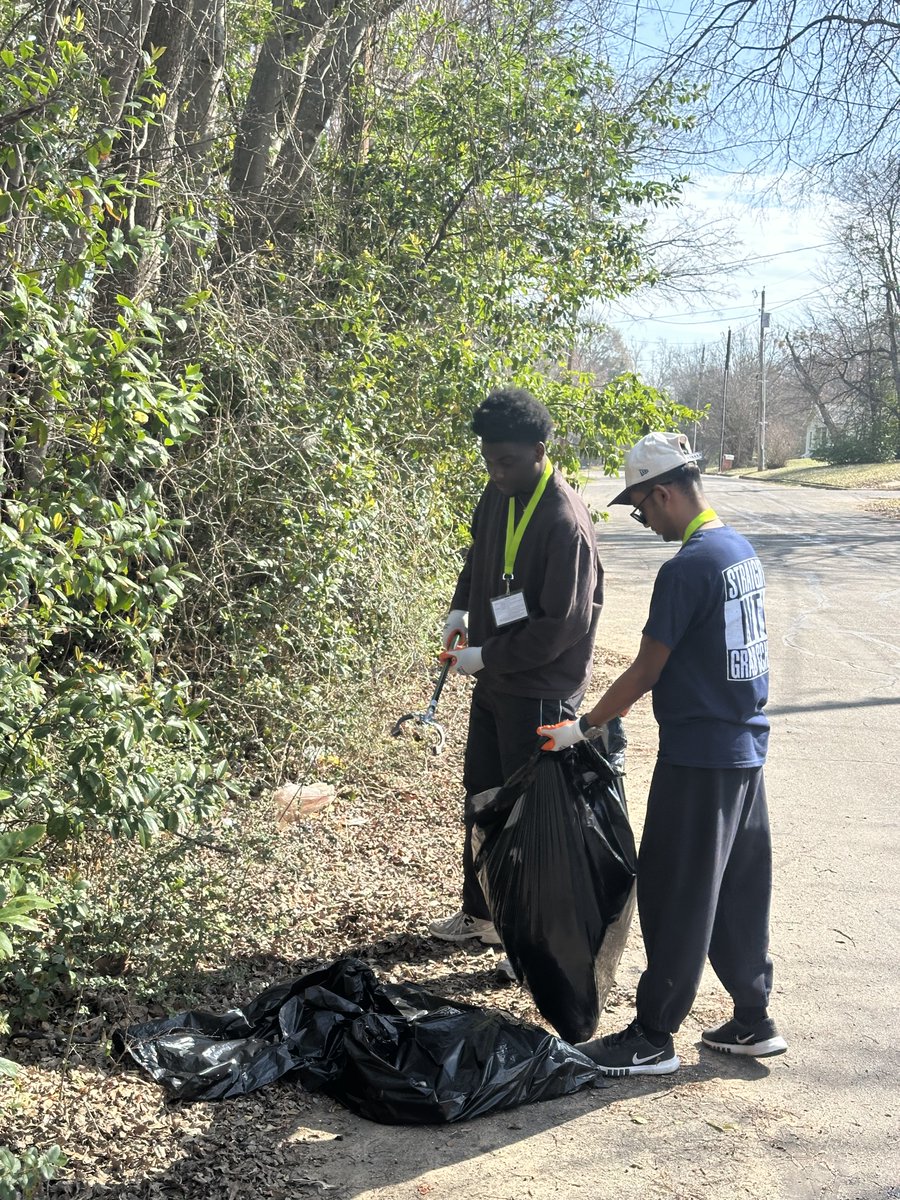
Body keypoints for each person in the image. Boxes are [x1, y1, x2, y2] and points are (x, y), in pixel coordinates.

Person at [537, 431, 786, 1076]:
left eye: (642, 507)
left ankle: (653, 1035)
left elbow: (647, 669)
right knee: (736, 886)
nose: (643, 520)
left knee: (676, 890)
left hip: (700, 756)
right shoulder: (739, 552)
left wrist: (583, 728)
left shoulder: (688, 567)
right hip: (744, 750)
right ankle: (753, 1017)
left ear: (666, 491)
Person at [429, 387, 618, 946]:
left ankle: (528, 941)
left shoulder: (564, 522)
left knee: (532, 816)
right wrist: (461, 609)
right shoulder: (498, 491)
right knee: (484, 795)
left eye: (506, 461)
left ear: (539, 451)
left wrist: (486, 655)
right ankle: (482, 913)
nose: (496, 472)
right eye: (488, 460)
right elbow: (478, 554)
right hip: (494, 680)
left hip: (539, 688)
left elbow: (562, 626)